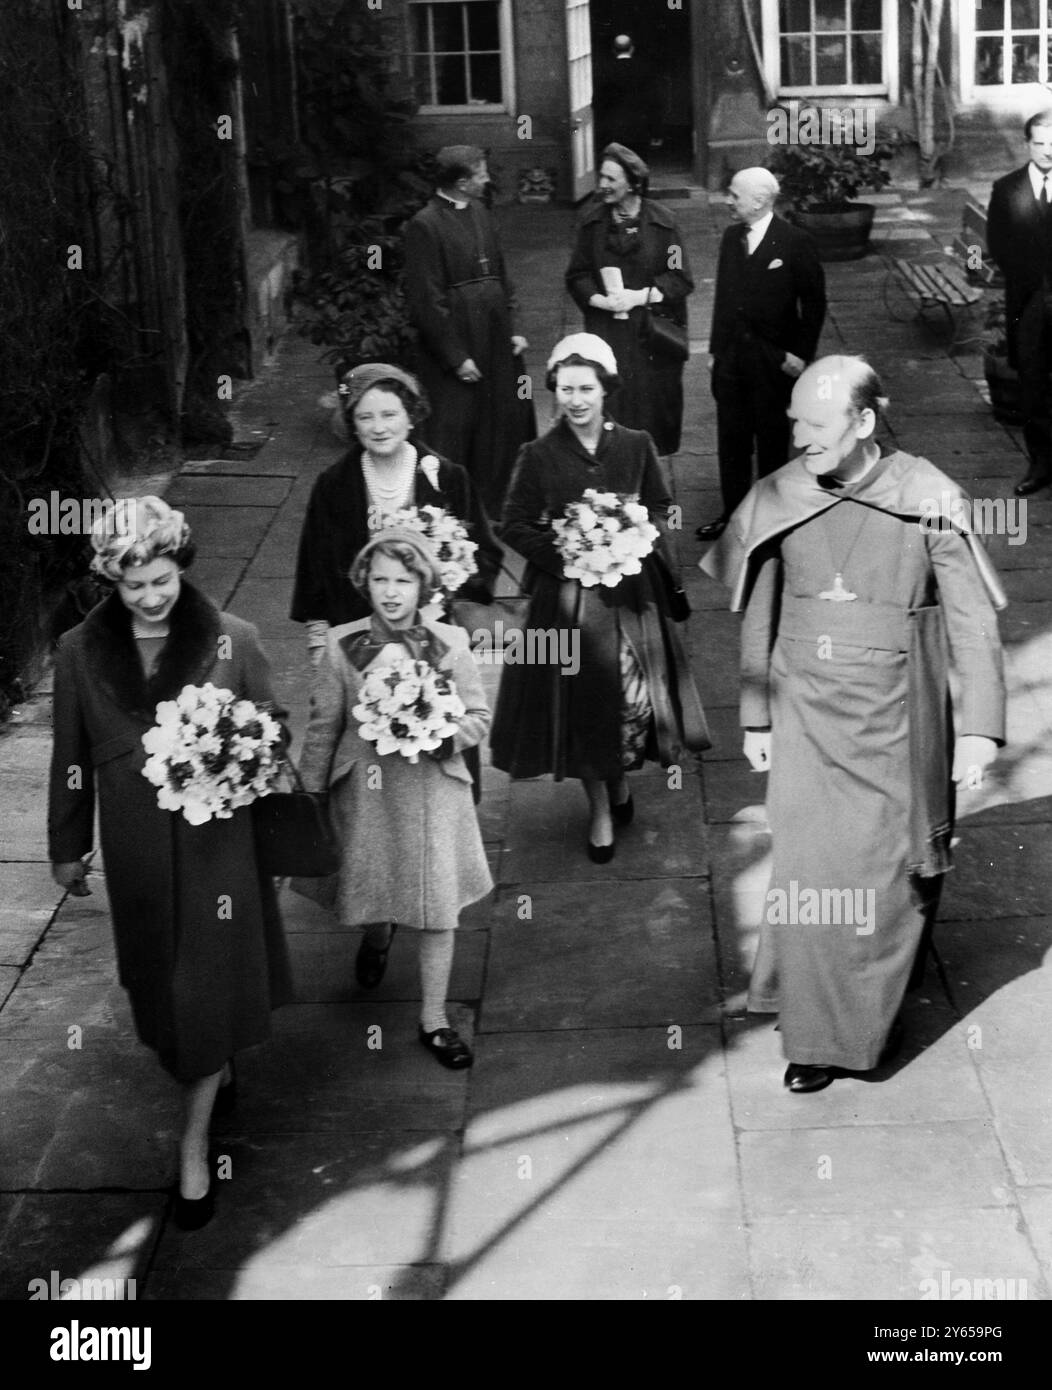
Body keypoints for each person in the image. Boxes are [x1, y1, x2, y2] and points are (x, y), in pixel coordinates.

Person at [700, 357, 1006, 1093]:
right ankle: (811, 1036)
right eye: (794, 421)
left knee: (880, 880)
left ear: (865, 423)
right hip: (804, 713)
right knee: (810, 873)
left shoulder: (928, 496)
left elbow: (970, 620)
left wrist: (978, 731)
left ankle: (864, 1024)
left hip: (895, 720)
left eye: (816, 423)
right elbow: (758, 608)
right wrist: (755, 716)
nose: (799, 436)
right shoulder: (780, 495)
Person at [47, 497, 293, 1227]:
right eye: (135, 586)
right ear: (109, 584)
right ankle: (214, 1062)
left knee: (202, 987)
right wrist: (67, 846)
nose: (152, 597)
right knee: (166, 990)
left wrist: (269, 810)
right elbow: (69, 760)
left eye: (162, 579)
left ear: (181, 566)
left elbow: (274, 736)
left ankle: (191, 1148)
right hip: (139, 857)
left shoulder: (234, 640)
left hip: (222, 853)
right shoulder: (76, 654)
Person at [491, 333, 710, 861]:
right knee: (583, 706)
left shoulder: (636, 445)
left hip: (632, 596)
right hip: (567, 606)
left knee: (632, 703)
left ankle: (618, 782)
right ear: (554, 391)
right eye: (565, 389)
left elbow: (660, 506)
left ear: (605, 389)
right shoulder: (538, 455)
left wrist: (634, 533)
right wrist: (566, 552)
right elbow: (513, 525)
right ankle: (601, 809)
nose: (576, 400)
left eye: (586, 388)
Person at [294, 530, 492, 1069]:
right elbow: (323, 726)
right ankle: (378, 935)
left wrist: (442, 730)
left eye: (403, 580)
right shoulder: (343, 646)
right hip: (370, 793)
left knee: (435, 906)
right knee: (377, 885)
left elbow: (478, 716)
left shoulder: (449, 643)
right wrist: (310, 793)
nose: (391, 591)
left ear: (423, 585)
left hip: (432, 791)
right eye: (379, 579)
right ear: (364, 583)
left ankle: (435, 1019)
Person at [290, 362, 501, 658]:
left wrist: (439, 603)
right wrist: (318, 648)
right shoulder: (333, 486)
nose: (378, 428)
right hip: (357, 642)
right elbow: (314, 572)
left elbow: (485, 557)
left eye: (389, 414)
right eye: (366, 417)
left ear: (411, 417)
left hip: (434, 638)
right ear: (353, 424)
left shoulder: (448, 478)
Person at [402, 145, 536, 516]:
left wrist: (514, 327)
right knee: (455, 427)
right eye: (481, 174)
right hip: (458, 344)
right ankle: (448, 513)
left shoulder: (480, 211)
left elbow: (502, 275)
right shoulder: (424, 225)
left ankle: (495, 505)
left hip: (494, 336)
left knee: (499, 423)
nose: (488, 179)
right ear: (461, 183)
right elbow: (427, 301)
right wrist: (455, 357)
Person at [696, 167, 826, 541]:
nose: (728, 201)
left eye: (734, 195)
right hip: (732, 359)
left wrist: (801, 354)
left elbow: (814, 303)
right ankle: (734, 517)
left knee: (770, 440)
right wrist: (715, 351)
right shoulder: (731, 238)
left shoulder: (795, 241)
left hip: (773, 361)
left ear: (760, 200)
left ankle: (771, 520)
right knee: (731, 441)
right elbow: (723, 298)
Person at [565, 143, 694, 457]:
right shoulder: (591, 223)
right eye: (601, 177)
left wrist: (639, 297)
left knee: (652, 410)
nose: (602, 185)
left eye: (611, 179)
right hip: (607, 332)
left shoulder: (665, 224)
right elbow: (577, 275)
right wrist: (600, 301)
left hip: (652, 333)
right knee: (612, 405)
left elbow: (681, 279)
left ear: (633, 183)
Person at [986, 109, 1052, 496]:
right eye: (1040, 143)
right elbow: (996, 244)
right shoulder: (1006, 189)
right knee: (1032, 384)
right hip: (1027, 302)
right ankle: (1040, 463)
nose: (1048, 151)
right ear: (1027, 144)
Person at [595, 34, 659, 156]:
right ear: (632, 49)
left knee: (616, 167)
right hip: (640, 127)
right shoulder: (644, 69)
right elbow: (654, 102)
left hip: (613, 128)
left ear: (613, 50)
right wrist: (656, 131)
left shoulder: (605, 71)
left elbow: (598, 102)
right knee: (638, 165)